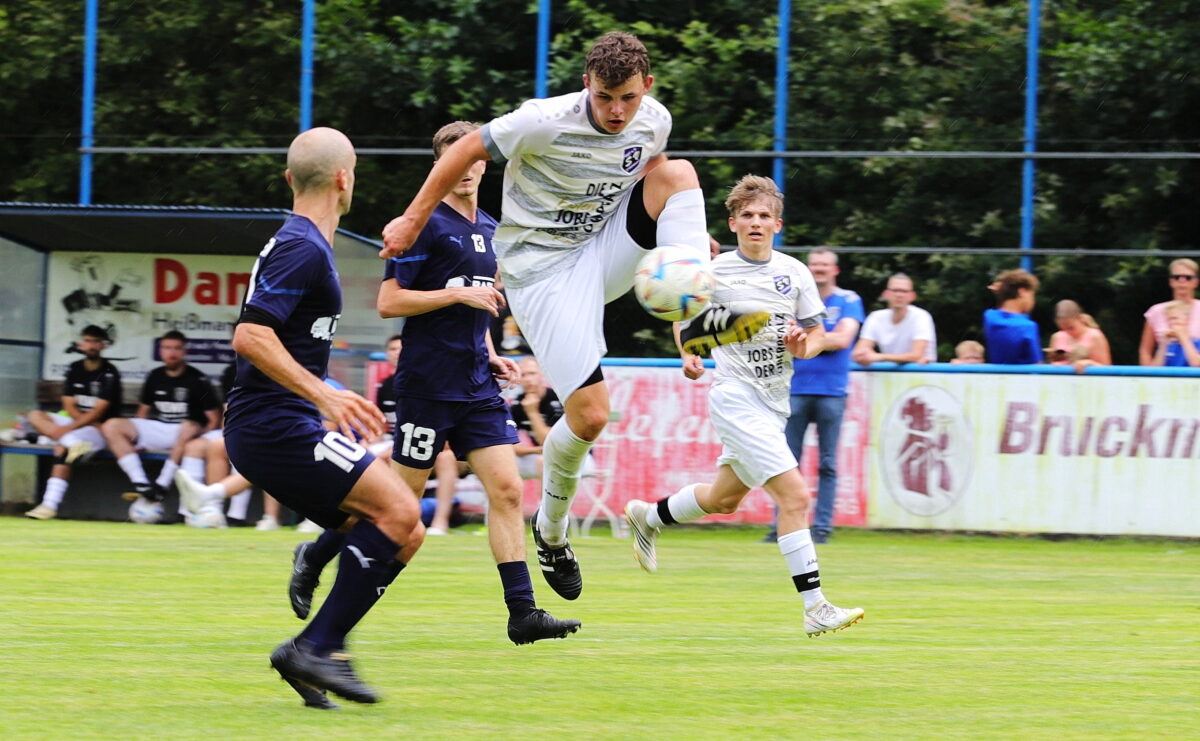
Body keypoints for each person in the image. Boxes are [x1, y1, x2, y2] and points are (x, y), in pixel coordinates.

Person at [381, 31, 769, 600]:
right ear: (587, 82)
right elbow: (465, 150)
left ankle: (692, 320)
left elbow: (651, 171)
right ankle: (553, 530)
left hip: (602, 250)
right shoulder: (540, 119)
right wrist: (413, 221)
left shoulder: (651, 119)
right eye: (607, 96)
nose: (618, 111)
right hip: (540, 272)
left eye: (629, 98)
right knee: (590, 417)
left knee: (680, 173)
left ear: (647, 88)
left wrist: (683, 235)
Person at [290, 121, 579, 650]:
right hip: (427, 385)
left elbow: (479, 305)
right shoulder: (422, 224)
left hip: (475, 386)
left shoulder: (492, 228)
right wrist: (452, 297)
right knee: (398, 504)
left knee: (509, 489)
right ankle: (318, 553)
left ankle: (522, 612)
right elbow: (389, 302)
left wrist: (491, 353)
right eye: (454, 160)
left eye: (473, 160)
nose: (466, 169)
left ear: (483, 164)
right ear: (439, 167)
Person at [223, 127, 426, 708]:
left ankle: (314, 650)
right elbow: (250, 334)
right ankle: (315, 645)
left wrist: (320, 397)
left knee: (406, 533)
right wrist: (326, 395)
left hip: (282, 424)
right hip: (273, 426)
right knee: (400, 509)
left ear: (291, 179)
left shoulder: (307, 242)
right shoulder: (302, 246)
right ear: (345, 178)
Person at [624, 175, 864, 637]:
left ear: (778, 223)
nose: (756, 222)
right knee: (794, 496)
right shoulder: (714, 272)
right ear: (733, 223)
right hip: (735, 396)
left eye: (764, 216)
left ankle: (647, 516)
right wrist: (687, 353)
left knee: (724, 499)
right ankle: (816, 607)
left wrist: (803, 345)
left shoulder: (794, 272)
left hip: (775, 403)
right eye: (747, 215)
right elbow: (684, 317)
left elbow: (817, 334)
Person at [771, 248, 864, 545]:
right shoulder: (793, 299)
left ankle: (822, 528)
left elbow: (845, 339)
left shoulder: (849, 300)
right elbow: (781, 338)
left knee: (828, 463)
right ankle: (781, 528)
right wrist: (825, 337)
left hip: (832, 392)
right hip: (794, 389)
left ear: (835, 270)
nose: (819, 269)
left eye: (825, 265)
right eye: (815, 264)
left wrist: (809, 338)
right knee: (785, 463)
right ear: (807, 268)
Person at [100, 330, 219, 511]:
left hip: (186, 434)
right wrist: (136, 438)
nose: (172, 353)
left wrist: (200, 440)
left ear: (184, 351)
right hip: (159, 429)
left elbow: (213, 419)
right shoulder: (155, 376)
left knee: (188, 426)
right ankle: (142, 484)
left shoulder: (197, 379)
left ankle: (162, 484)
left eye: (177, 348)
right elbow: (143, 413)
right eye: (167, 348)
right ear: (160, 351)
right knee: (111, 425)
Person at [23, 325, 123, 520]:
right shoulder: (75, 368)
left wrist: (68, 428)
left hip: (99, 431)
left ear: (103, 345)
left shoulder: (110, 372)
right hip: (76, 426)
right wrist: (66, 429)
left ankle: (48, 506)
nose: (91, 345)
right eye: (87, 340)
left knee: (62, 449)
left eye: (95, 341)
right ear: (80, 344)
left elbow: (98, 412)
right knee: (35, 415)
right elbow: (68, 405)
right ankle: (65, 440)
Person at [852, 273, 936, 365]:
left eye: (904, 291)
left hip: (922, 375)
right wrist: (864, 356)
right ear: (885, 294)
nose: (899, 295)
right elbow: (859, 352)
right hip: (890, 375)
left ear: (912, 296)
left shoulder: (921, 317)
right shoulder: (875, 317)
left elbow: (916, 355)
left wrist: (879, 357)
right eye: (895, 290)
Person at [1139, 258, 1200, 366]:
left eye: (1188, 277)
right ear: (1171, 281)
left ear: (1196, 282)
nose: (1182, 281)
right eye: (1177, 277)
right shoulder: (1155, 312)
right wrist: (1147, 375)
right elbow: (1145, 350)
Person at [982, 269, 1043, 364]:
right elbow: (1037, 364)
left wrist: (1002, 291)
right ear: (1022, 292)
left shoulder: (990, 317)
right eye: (1032, 295)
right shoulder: (1028, 327)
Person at [1047, 300, 1111, 373]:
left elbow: (1107, 368)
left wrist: (1090, 363)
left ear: (1079, 318)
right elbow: (1051, 364)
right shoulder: (1057, 337)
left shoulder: (1095, 336)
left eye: (1071, 328)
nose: (1068, 332)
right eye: (1063, 329)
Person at [1150, 301, 1200, 367]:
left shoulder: (1197, 343)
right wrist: (1163, 345)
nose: (1171, 323)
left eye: (1175, 318)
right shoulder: (1169, 346)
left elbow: (1196, 364)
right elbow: (1155, 370)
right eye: (1169, 320)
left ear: (1187, 319)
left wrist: (1183, 338)